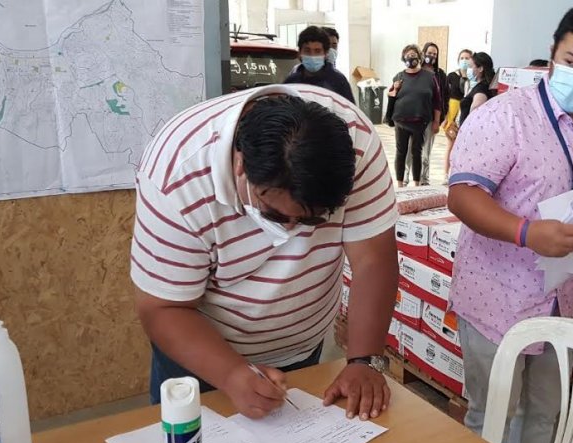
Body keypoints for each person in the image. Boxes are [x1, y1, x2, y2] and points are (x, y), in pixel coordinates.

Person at [131, 83, 399, 421]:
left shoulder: (356, 144)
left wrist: (364, 360)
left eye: (313, 220)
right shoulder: (175, 172)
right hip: (202, 356)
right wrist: (230, 374)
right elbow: (161, 307)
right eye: (275, 215)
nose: (292, 231)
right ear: (240, 165)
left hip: (304, 346)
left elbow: (373, 259)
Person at [446, 1, 573, 443]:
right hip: (496, 297)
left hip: (558, 298)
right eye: (571, 63)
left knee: (545, 414)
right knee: (494, 417)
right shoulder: (505, 115)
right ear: (552, 54)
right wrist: (526, 232)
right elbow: (463, 197)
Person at [385, 44, 442, 187]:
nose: (411, 58)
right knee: (400, 153)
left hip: (420, 122)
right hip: (401, 121)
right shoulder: (399, 76)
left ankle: (417, 184)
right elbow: (391, 95)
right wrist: (393, 90)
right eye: (408, 55)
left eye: (414, 55)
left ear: (419, 56)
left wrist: (436, 121)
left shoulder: (430, 77)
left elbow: (437, 101)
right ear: (403, 58)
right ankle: (399, 184)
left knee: (417, 152)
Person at [403, 42, 448, 186]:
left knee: (426, 152)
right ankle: (405, 176)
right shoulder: (416, 71)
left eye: (434, 54)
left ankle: (424, 178)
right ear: (423, 53)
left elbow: (442, 99)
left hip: (429, 119)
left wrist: (439, 120)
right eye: (429, 53)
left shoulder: (440, 75)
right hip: (413, 118)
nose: (431, 56)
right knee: (410, 149)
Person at [284, 26, 355, 103]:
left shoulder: (338, 81)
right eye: (307, 50)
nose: (312, 55)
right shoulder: (292, 82)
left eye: (317, 51)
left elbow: (350, 112)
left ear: (325, 54)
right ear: (300, 53)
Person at [441, 49, 473, 183]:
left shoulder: (473, 77)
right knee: (451, 144)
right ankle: (445, 174)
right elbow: (444, 96)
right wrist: (444, 117)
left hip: (467, 112)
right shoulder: (452, 76)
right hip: (453, 114)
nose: (464, 60)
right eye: (462, 58)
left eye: (467, 58)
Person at [458, 52, 496, 124]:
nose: (468, 70)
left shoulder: (482, 88)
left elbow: (476, 107)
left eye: (470, 67)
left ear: (480, 68)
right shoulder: (486, 86)